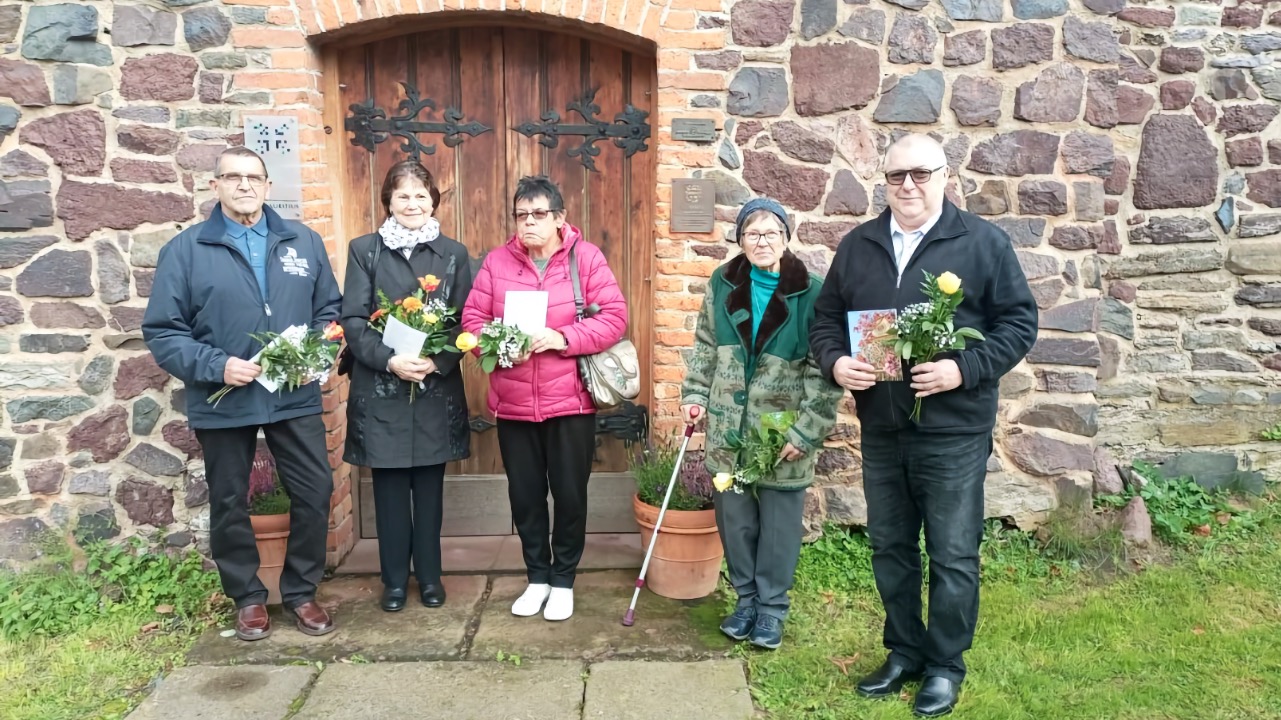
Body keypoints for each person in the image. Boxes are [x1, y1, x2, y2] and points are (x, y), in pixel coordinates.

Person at [810, 134, 1038, 717]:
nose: (907, 186)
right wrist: (837, 363)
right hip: (883, 425)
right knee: (889, 546)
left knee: (953, 551)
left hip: (953, 430)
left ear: (944, 175)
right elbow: (826, 319)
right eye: (895, 177)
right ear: (883, 182)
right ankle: (904, 652)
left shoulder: (982, 243)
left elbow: (1018, 323)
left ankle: (944, 666)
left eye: (919, 173)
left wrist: (964, 369)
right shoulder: (859, 245)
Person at [143, 146, 343, 641]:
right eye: (233, 177)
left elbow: (329, 313)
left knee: (315, 491)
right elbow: (164, 331)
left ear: (268, 186)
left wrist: (313, 356)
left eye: (253, 177)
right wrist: (216, 365)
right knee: (231, 499)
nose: (244, 186)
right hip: (224, 398)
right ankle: (248, 597)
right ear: (216, 186)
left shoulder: (303, 242)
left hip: (291, 393)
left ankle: (300, 591)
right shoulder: (186, 250)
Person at [461, 175, 627, 622]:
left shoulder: (586, 259)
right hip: (514, 402)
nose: (529, 223)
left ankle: (564, 580)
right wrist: (494, 343)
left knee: (570, 494)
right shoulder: (497, 263)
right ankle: (537, 576)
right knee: (526, 495)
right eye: (521, 215)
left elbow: (614, 318)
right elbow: (472, 319)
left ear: (559, 218)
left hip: (570, 401)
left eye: (538, 214)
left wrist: (562, 337)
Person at [680, 197, 842, 650]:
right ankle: (746, 600)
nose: (763, 241)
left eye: (772, 233)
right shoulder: (722, 282)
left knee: (778, 524)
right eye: (753, 233)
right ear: (741, 240)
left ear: (787, 238)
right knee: (735, 520)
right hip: (730, 426)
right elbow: (706, 343)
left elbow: (823, 369)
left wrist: (806, 430)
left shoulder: (810, 290)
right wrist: (695, 395)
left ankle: (771, 610)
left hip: (782, 430)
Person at [340, 160, 473, 612]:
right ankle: (394, 581)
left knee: (430, 490)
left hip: (433, 387)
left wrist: (437, 361)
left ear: (433, 200)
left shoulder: (453, 253)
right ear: (388, 202)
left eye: (420, 195)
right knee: (391, 491)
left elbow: (466, 322)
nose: (412, 204)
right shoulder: (365, 250)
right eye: (403, 196)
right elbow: (355, 319)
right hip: (382, 388)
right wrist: (390, 360)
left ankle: (431, 577)